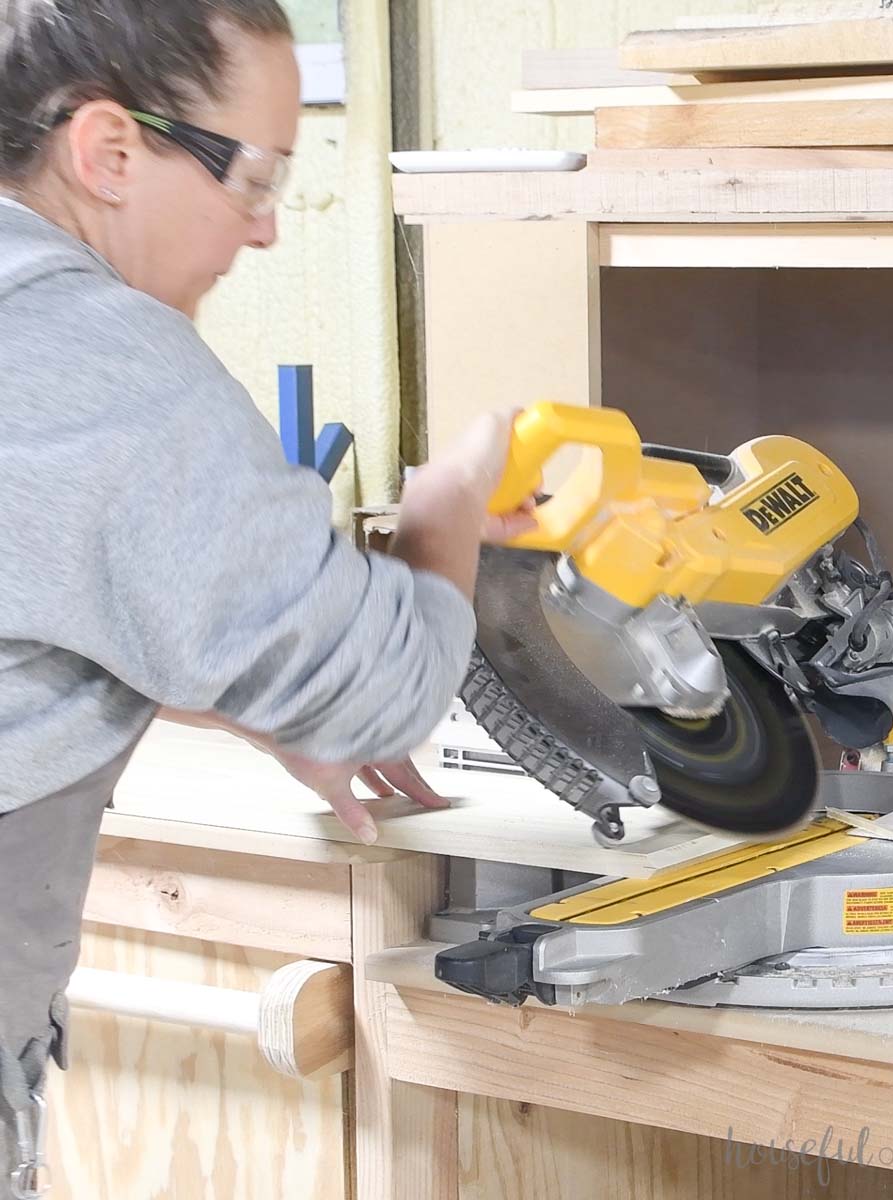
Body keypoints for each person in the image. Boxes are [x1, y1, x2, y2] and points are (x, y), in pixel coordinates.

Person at [0, 0, 536, 1189]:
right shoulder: (98, 357)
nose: (267, 232)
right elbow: (388, 697)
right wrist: (448, 503)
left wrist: (248, 693)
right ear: (109, 151)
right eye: (253, 175)